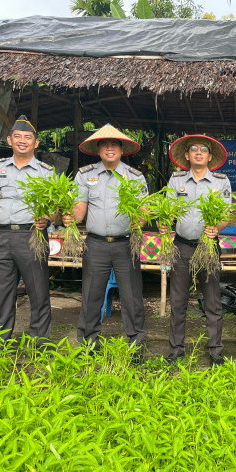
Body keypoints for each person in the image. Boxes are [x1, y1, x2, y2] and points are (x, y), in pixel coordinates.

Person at [0, 115, 52, 343]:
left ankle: (40, 343)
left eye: (28, 137)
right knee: (2, 293)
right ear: (9, 140)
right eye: (17, 137)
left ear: (35, 143)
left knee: (38, 292)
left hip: (32, 236)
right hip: (1, 237)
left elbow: (55, 209)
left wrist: (46, 218)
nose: (22, 141)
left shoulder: (46, 172)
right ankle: (2, 342)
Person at [68, 124, 148, 357]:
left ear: (122, 150)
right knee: (92, 294)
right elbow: (79, 211)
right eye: (105, 144)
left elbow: (143, 210)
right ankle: (88, 344)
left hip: (126, 243)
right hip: (96, 244)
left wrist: (139, 221)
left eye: (114, 144)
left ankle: (136, 344)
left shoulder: (134, 177)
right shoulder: (85, 175)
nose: (110, 148)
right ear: (98, 149)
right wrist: (66, 215)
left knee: (132, 296)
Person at [165, 134, 231, 365]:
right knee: (178, 301)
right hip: (182, 246)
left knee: (213, 300)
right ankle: (175, 350)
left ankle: (215, 350)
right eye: (194, 148)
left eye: (204, 149)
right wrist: (165, 220)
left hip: (209, 247)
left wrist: (217, 228)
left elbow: (225, 215)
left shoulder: (221, 182)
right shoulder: (176, 180)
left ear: (210, 156)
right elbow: (169, 210)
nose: (199, 152)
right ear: (187, 155)